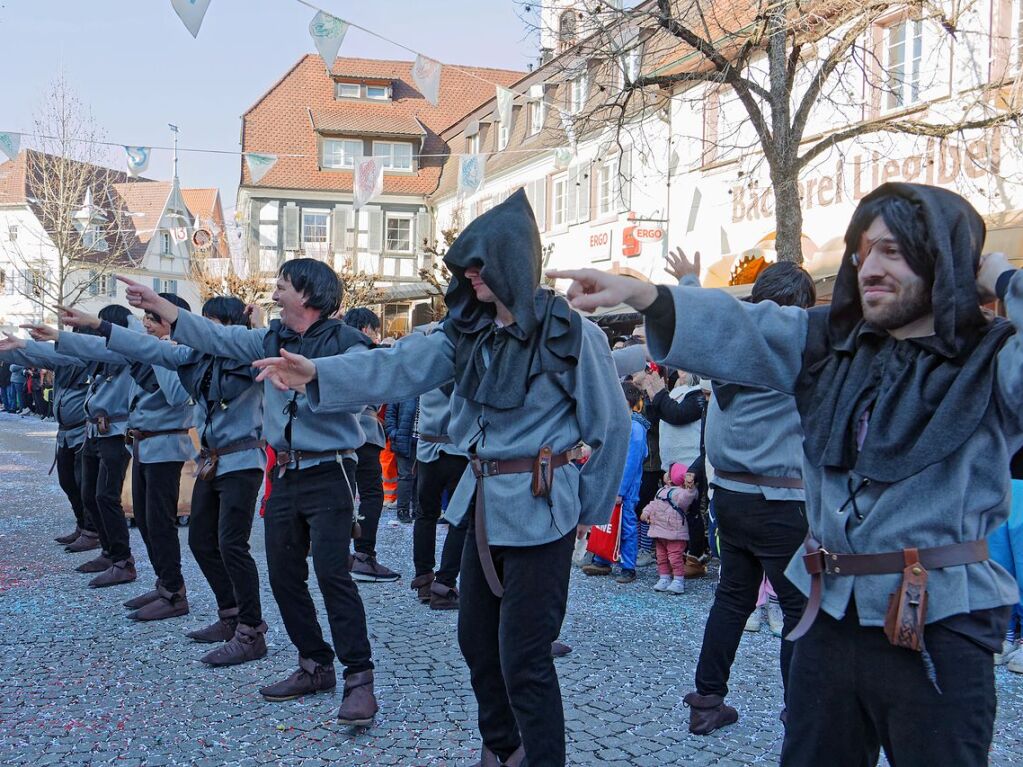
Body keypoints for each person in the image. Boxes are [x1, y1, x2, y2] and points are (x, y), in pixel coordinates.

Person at [551, 182, 1023, 766]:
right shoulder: (831, 345)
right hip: (828, 615)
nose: (869, 266)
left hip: (938, 622)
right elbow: (745, 326)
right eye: (863, 250)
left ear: (945, 262)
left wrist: (1004, 279)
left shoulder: (996, 357)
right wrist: (648, 294)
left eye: (893, 252)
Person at [251, 190, 629, 767]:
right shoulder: (464, 332)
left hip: (542, 508)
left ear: (510, 261)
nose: (469, 276)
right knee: (477, 644)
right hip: (479, 507)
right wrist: (317, 372)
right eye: (466, 266)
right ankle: (502, 749)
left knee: (525, 657)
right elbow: (393, 365)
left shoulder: (574, 335)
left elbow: (611, 429)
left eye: (480, 264)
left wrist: (585, 513)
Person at [119, 259, 379, 726]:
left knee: (333, 576)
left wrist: (316, 374)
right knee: (283, 576)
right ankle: (314, 663)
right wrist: (162, 308)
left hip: (330, 473)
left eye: (282, 287)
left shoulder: (347, 342)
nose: (274, 294)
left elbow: (369, 389)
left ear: (308, 293)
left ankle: (359, 679)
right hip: (286, 475)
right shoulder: (270, 339)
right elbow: (217, 338)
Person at [64, 296, 270, 665]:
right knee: (200, 541)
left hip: (240, 460)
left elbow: (179, 393)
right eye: (202, 321)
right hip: (211, 461)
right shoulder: (197, 359)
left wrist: (259, 322)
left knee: (232, 545)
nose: (204, 330)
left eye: (212, 323)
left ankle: (251, 630)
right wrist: (97, 326)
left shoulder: (248, 357)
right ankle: (230, 614)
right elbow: (141, 348)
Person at [667, 261, 815, 734]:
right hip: (780, 499)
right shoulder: (792, 350)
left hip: (730, 494)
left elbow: (699, 321)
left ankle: (707, 701)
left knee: (732, 598)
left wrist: (691, 281)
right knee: (799, 608)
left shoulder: (729, 349)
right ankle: (801, 716)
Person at [43, 296, 197, 621]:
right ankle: (163, 584)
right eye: (144, 318)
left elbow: (176, 395)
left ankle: (173, 592)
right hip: (142, 445)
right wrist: (59, 337)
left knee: (159, 522)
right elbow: (98, 350)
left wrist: (159, 350)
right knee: (145, 520)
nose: (146, 324)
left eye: (152, 318)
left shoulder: (181, 352)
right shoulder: (149, 349)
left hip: (165, 447)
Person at [25, 305, 136, 585]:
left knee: (106, 497)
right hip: (94, 433)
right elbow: (60, 353)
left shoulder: (127, 351)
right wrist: (19, 344)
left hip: (115, 433)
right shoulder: (99, 356)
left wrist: (118, 324)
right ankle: (110, 552)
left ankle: (123, 559)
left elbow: (75, 351)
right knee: (89, 493)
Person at [0, 330, 97, 550]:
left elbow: (57, 354)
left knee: (85, 484)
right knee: (67, 481)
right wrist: (7, 350)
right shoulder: (61, 360)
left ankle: (93, 531)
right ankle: (82, 526)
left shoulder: (89, 357)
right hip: (65, 432)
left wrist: (25, 343)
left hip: (83, 431)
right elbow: (30, 358)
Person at [341, 307, 400, 583]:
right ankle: (364, 555)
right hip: (364, 429)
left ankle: (338, 551)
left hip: (337, 433)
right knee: (371, 493)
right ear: (366, 329)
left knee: (341, 491)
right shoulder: (368, 353)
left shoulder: (334, 347)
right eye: (375, 331)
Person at [411, 372, 469, 611]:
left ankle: (424, 579)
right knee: (460, 520)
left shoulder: (428, 364)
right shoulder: (468, 363)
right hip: (458, 450)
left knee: (425, 515)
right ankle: (444, 584)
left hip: (427, 447)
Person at [581, 380, 648, 583]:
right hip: (613, 482)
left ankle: (628, 566)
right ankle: (604, 558)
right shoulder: (621, 423)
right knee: (607, 521)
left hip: (624, 486)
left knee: (625, 523)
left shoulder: (635, 427)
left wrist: (619, 489)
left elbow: (631, 462)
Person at [640, 463, 695, 595]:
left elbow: (686, 499)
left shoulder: (680, 493)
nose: (664, 473)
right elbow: (653, 503)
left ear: (671, 478)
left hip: (674, 533)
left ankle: (678, 580)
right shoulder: (661, 491)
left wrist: (690, 488)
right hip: (659, 531)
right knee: (661, 556)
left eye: (668, 472)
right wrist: (646, 512)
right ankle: (664, 577)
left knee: (675, 557)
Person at [385, 395, 419, 524]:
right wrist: (394, 434)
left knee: (421, 478)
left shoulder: (429, 390)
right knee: (405, 476)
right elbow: (390, 414)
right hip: (405, 439)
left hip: (424, 441)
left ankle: (417, 510)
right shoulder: (404, 390)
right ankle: (403, 511)